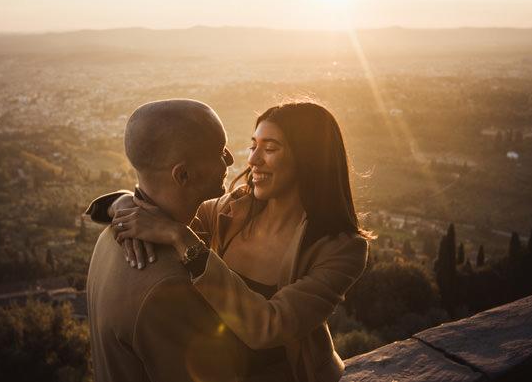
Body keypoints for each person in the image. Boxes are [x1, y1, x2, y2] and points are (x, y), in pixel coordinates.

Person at [88, 101, 372, 382]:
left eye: (270, 148)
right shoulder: (231, 210)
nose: (252, 160)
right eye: (254, 146)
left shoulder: (342, 249)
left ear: (310, 159)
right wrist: (123, 204)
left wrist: (181, 237)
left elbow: (271, 327)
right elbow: (166, 205)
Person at [84, 99, 247, 382]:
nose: (231, 159)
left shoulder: (112, 237)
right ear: (182, 174)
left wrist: (121, 201)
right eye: (219, 151)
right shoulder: (169, 285)